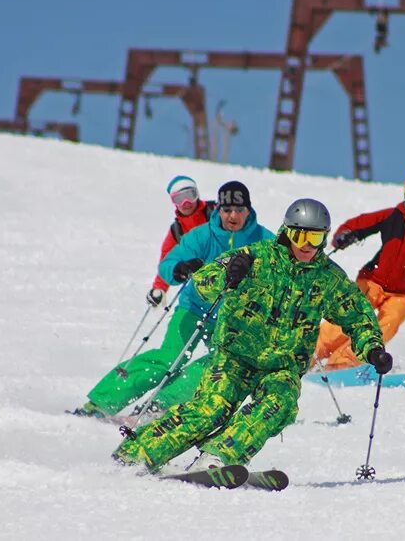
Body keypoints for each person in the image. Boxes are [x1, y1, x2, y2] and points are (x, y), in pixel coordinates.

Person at [112, 198, 390, 473]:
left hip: (282, 367)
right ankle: (136, 454)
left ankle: (217, 457)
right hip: (235, 357)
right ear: (287, 232)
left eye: (315, 238)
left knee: (279, 404)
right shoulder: (255, 257)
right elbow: (202, 284)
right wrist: (227, 275)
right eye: (299, 235)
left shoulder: (328, 278)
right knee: (211, 409)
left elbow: (358, 317)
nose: (306, 244)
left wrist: (373, 348)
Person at [73, 180, 273, 418]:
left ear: (248, 210)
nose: (233, 216)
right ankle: (101, 402)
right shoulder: (202, 236)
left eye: (239, 210)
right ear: (218, 209)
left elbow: (281, 271)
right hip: (194, 308)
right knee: (170, 357)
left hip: (233, 317)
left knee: (220, 363)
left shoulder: (264, 241)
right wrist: (179, 269)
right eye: (227, 209)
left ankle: (163, 403)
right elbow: (167, 264)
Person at [316, 168, 405, 370]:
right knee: (351, 315)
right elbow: (361, 223)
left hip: (401, 294)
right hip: (372, 281)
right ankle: (312, 353)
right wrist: (346, 234)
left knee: (388, 322)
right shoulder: (393, 216)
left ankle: (343, 363)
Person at [145, 175, 215, 308]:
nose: (186, 202)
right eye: (179, 199)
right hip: (203, 284)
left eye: (190, 195)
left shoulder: (214, 213)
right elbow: (167, 259)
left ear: (197, 194)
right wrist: (159, 287)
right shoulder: (177, 231)